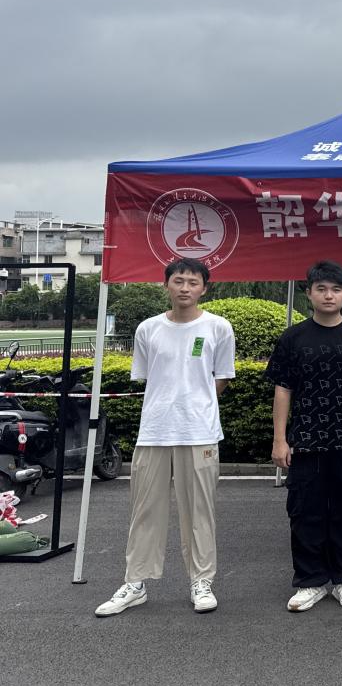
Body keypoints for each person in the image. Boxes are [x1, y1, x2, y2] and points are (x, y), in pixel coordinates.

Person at [95, 258, 236, 617]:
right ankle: (135, 582)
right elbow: (149, 376)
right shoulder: (148, 329)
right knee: (144, 510)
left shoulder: (218, 327)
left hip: (199, 432)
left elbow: (221, 377)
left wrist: (197, 405)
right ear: (166, 285)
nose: (185, 288)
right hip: (154, 431)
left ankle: (201, 581)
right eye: (178, 281)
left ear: (204, 288)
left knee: (199, 512)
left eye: (193, 282)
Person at [268, 261, 342, 612]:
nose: (328, 295)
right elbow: (283, 388)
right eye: (321, 289)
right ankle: (311, 581)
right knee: (305, 511)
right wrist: (279, 439)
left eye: (335, 289)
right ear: (309, 293)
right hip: (305, 440)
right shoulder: (293, 337)